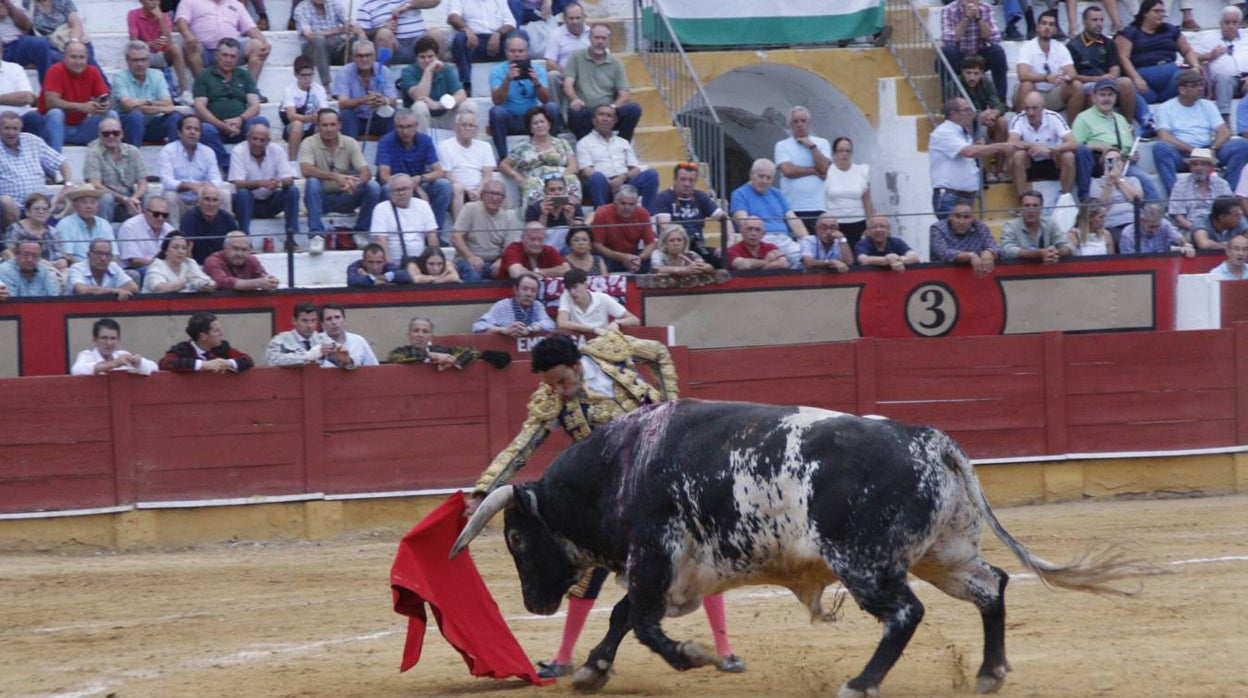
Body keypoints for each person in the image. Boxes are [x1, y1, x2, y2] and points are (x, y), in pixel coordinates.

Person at [464, 330, 745, 679]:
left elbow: (658, 353)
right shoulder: (550, 400)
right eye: (552, 385)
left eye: (563, 380)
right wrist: (483, 489)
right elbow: (522, 446)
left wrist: (673, 411)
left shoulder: (610, 352)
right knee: (588, 567)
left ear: (577, 365)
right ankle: (564, 656)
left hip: (662, 477)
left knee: (699, 555)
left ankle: (725, 649)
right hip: (607, 492)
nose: (560, 390)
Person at [1152, 70, 1248, 195]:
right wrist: (1192, 150)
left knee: (1242, 145)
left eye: (1201, 85)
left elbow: (1224, 132)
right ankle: (1175, 196)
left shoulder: (1207, 105)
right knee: (1160, 147)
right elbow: (1164, 136)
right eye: (1195, 86)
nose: (1200, 89)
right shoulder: (1165, 108)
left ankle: (1226, 196)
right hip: (1182, 154)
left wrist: (1212, 149)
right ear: (1182, 89)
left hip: (1209, 150)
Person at [1070, 78, 1161, 203]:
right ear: (1094, 97)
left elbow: (1128, 148)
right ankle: (1085, 199)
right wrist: (1096, 146)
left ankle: (1154, 215)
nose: (1107, 98)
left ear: (1116, 98)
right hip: (1098, 162)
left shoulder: (1121, 119)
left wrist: (1133, 155)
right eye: (1102, 95)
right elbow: (1076, 145)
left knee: (1145, 179)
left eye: (1110, 95)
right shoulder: (1083, 118)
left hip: (1122, 162)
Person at [929, 98, 1022, 218]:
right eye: (966, 110)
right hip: (950, 198)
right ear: (954, 114)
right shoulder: (944, 132)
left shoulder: (961, 133)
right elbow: (969, 152)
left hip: (963, 197)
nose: (970, 113)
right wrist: (1001, 146)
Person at [299, 108, 382, 239]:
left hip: (346, 195)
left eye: (332, 124)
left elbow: (365, 171)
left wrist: (357, 183)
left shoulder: (350, 142)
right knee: (312, 182)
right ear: (318, 126)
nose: (329, 129)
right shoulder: (309, 142)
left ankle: (361, 232)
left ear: (339, 125)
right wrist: (335, 177)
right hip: (320, 199)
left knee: (373, 187)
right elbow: (306, 169)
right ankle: (316, 234)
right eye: (324, 125)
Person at [193, 37, 268, 170]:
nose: (228, 60)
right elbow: (200, 108)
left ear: (237, 58)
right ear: (216, 56)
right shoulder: (204, 76)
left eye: (232, 56)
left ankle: (256, 163)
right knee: (204, 129)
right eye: (225, 55)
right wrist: (221, 125)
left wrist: (240, 119)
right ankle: (228, 166)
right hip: (216, 127)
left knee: (260, 122)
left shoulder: (244, 75)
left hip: (241, 127)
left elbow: (255, 105)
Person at [377, 108, 453, 234]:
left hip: (418, 183)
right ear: (395, 127)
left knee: (444, 186)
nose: (405, 131)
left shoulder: (425, 140)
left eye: (409, 126)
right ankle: (394, 232)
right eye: (401, 127)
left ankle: (434, 232)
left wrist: (419, 179)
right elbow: (384, 176)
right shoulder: (386, 141)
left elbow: (439, 172)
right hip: (398, 187)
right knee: (386, 189)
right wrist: (411, 186)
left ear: (417, 126)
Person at [36, 39, 116, 153]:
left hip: (81, 128)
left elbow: (105, 96)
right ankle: (56, 163)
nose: (78, 62)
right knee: (55, 113)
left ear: (87, 58)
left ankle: (113, 162)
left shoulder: (92, 71)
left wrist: (105, 104)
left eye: (81, 57)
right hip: (55, 129)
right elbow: (51, 102)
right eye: (73, 57)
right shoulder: (55, 70)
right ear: (64, 57)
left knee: (111, 115)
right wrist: (81, 106)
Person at [563, 23, 639, 142]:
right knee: (575, 113)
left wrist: (612, 108)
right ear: (589, 38)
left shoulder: (615, 62)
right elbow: (567, 85)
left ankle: (621, 145)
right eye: (596, 37)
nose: (600, 41)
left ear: (608, 40)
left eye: (604, 38)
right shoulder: (576, 56)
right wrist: (575, 99)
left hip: (609, 111)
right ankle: (587, 147)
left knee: (633, 109)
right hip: (586, 111)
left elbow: (625, 95)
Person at [487, 34, 559, 159]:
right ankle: (503, 157)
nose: (517, 54)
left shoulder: (537, 69)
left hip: (532, 119)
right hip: (510, 120)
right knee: (496, 112)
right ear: (506, 53)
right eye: (512, 51)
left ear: (527, 52)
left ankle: (552, 151)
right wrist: (507, 80)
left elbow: (546, 99)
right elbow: (497, 101)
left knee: (552, 107)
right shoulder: (497, 71)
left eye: (521, 51)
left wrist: (536, 83)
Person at [1115, 0, 1199, 106]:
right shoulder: (1131, 32)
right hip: (1143, 78)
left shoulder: (1169, 29)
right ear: (1145, 13)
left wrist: (1195, 66)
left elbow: (1187, 50)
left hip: (1171, 77)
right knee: (1130, 87)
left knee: (1189, 79)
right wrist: (1136, 78)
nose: (1161, 14)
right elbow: (1123, 57)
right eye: (1156, 11)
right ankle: (1146, 119)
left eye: (1162, 11)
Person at [576, 103, 657, 209]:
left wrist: (621, 179)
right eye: (601, 115)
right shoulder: (584, 142)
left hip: (624, 181)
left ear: (614, 121)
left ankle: (649, 218)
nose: (605, 119)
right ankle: (603, 219)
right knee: (596, 177)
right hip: (602, 184)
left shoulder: (623, 142)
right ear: (593, 120)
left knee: (651, 175)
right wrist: (610, 182)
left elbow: (635, 168)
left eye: (609, 116)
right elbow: (586, 171)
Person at [1066, 5, 1138, 123]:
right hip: (1086, 84)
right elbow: (1073, 76)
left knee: (1127, 83)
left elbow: (1115, 68)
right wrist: (1099, 79)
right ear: (1084, 22)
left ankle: (1126, 125)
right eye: (1094, 20)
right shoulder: (1073, 45)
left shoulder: (1109, 43)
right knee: (1094, 89)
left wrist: (1111, 76)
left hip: (1107, 81)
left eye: (1101, 20)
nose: (1099, 23)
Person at [729, 158, 806, 269]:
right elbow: (743, 223)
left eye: (768, 178)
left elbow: (793, 219)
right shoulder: (739, 194)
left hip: (784, 238)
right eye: (761, 176)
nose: (765, 181)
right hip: (760, 239)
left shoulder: (777, 194)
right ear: (751, 175)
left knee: (805, 257)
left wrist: (807, 242)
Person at [175, 0, 271, 88]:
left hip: (232, 51)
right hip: (205, 52)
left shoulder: (235, 4)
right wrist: (188, 35)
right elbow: (181, 20)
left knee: (258, 46)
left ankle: (251, 90)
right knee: (190, 46)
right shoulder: (190, 1)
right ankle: (203, 88)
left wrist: (264, 42)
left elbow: (250, 28)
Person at [229, 122, 300, 239]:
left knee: (292, 191)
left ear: (268, 141)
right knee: (243, 194)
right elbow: (239, 184)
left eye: (262, 140)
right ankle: (244, 239)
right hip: (247, 204)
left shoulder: (277, 150)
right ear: (247, 138)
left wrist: (277, 183)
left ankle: (291, 238)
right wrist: (262, 183)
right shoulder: (238, 151)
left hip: (271, 201)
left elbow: (289, 179)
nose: (258, 143)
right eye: (254, 139)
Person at [1008, 90, 1084, 199]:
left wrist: (1050, 149)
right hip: (1030, 163)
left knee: (1068, 156)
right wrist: (1033, 146)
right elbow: (1011, 142)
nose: (1030, 113)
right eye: (1027, 108)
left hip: (1053, 161)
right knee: (1018, 156)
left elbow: (1073, 143)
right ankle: (1022, 200)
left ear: (1043, 107)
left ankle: (1066, 199)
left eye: (1035, 108)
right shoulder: (1018, 119)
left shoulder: (1054, 117)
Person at [500, 105, 580, 209]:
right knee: (532, 184)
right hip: (536, 183)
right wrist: (516, 176)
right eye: (535, 123)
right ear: (531, 128)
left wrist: (559, 180)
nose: (539, 125)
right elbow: (503, 165)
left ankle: (569, 212)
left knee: (572, 179)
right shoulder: (522, 146)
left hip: (560, 181)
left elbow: (573, 166)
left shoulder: (562, 143)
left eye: (542, 122)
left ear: (549, 125)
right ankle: (538, 213)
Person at [651, 161, 728, 267]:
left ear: (695, 181)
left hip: (697, 247)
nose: (687, 183)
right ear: (674, 180)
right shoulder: (664, 197)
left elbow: (724, 218)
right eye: (683, 179)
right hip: (674, 248)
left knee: (724, 258)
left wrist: (728, 244)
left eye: (691, 180)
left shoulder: (700, 196)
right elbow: (666, 228)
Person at [1015, 10, 1084, 121]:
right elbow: (1022, 75)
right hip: (1033, 92)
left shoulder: (1060, 47)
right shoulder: (1027, 47)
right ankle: (1019, 129)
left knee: (1077, 85)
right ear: (1037, 27)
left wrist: (1063, 78)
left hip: (1053, 93)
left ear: (1055, 30)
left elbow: (1072, 73)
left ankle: (1073, 132)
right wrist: (1046, 78)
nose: (1047, 27)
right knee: (1026, 84)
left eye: (1051, 25)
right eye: (1044, 23)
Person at [113, 40, 183, 149]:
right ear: (127, 61)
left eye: (143, 59)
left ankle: (176, 157)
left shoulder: (157, 75)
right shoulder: (120, 77)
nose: (140, 64)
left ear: (148, 60)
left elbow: (168, 104)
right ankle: (132, 158)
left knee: (175, 117)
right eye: (135, 60)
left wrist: (142, 104)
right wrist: (152, 103)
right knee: (135, 116)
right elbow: (128, 106)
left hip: (151, 126)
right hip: (127, 128)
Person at [159, 115, 228, 222]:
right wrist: (190, 186)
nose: (192, 132)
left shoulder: (207, 152)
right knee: (170, 196)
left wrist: (205, 188)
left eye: (196, 129)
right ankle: (175, 236)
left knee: (224, 194)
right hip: (180, 200)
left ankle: (225, 236)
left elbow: (217, 180)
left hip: (202, 201)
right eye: (188, 128)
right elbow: (166, 181)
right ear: (179, 132)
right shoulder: (168, 151)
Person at [450, 177, 520, 281]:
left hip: (494, 261)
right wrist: (470, 257)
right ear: (483, 194)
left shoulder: (510, 217)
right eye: (491, 193)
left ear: (503, 198)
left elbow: (510, 247)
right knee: (474, 275)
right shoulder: (470, 208)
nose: (495, 198)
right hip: (467, 259)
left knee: (512, 273)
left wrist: (501, 260)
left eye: (499, 194)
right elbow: (455, 237)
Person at [399, 35, 474, 133]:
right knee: (420, 106)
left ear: (437, 57)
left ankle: (467, 145)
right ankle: (423, 146)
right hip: (420, 120)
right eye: (422, 57)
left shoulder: (446, 69)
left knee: (469, 105)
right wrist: (429, 70)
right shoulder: (408, 72)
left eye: (430, 56)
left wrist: (438, 105)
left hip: (445, 117)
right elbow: (420, 96)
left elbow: (461, 94)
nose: (427, 60)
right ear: (416, 58)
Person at [774, 106, 831, 233]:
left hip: (817, 206)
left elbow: (824, 168)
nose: (799, 124)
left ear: (809, 123)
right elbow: (788, 171)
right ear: (790, 125)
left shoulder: (822, 143)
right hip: (791, 207)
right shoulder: (782, 145)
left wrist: (812, 147)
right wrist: (814, 171)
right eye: (795, 121)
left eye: (803, 121)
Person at [941, 0, 1010, 104]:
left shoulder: (986, 8)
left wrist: (979, 18)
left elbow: (994, 38)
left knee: (997, 51)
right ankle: (950, 102)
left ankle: (1000, 101)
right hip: (958, 56)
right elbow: (949, 39)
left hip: (978, 55)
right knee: (949, 51)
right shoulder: (949, 10)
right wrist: (966, 18)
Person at [449, 0, 521, 95]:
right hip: (473, 42)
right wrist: (467, 30)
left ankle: (519, 78)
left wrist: (498, 34)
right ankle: (465, 85)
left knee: (520, 37)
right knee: (460, 39)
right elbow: (452, 17)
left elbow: (511, 23)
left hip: (497, 40)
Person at [956, 55, 1008, 184]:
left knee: (1002, 122)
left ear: (982, 74)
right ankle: (988, 172)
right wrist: (979, 117)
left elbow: (998, 104)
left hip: (984, 119)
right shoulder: (954, 84)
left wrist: (993, 114)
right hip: (966, 124)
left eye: (976, 73)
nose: (972, 77)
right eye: (968, 73)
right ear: (962, 72)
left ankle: (1000, 171)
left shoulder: (986, 82)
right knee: (972, 125)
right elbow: (954, 111)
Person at [84, 117, 148, 223]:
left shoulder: (133, 151)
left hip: (130, 198)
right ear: (100, 135)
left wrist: (134, 199)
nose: (111, 136)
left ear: (122, 134)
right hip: (108, 201)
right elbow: (95, 185)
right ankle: (103, 235)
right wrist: (124, 199)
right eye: (106, 133)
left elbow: (143, 183)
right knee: (106, 199)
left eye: (115, 133)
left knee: (149, 199)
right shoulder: (94, 153)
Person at [1191, 6, 1248, 125]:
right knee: (1223, 78)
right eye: (1227, 22)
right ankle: (1224, 122)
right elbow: (1189, 56)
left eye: (1234, 22)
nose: (1231, 26)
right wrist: (1210, 55)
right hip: (1227, 80)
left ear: (1240, 24)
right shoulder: (1209, 38)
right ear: (1220, 23)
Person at [333, 39, 399, 140]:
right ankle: (351, 152)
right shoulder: (344, 72)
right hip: (355, 119)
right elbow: (342, 103)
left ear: (374, 56)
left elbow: (393, 101)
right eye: (360, 56)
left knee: (393, 112)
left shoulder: (384, 71)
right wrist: (363, 99)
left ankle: (391, 152)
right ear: (353, 58)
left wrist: (383, 100)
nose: (364, 59)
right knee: (346, 114)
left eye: (368, 55)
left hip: (377, 118)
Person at [437, 109, 496, 221]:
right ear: (456, 127)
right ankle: (459, 232)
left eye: (471, 125)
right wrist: (468, 190)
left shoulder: (485, 146)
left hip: (480, 190)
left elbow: (488, 174)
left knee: (497, 188)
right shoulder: (445, 146)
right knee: (457, 188)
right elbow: (447, 174)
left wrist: (478, 190)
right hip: (457, 191)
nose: (468, 128)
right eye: (464, 125)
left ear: (476, 129)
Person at [369, 172, 439, 264]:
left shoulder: (423, 205)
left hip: (421, 263)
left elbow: (432, 236)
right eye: (397, 190)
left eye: (405, 189)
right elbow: (380, 240)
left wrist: (433, 262)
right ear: (390, 192)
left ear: (412, 189)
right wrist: (390, 266)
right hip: (394, 263)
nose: (401, 193)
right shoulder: (381, 208)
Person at [388, 316, 508, 369]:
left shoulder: (442, 350)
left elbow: (473, 351)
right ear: (409, 335)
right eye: (416, 331)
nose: (420, 335)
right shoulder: (400, 352)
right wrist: (431, 355)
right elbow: (395, 357)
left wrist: (454, 360)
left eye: (425, 331)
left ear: (430, 336)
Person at [294, 0, 364, 91]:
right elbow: (309, 35)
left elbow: (350, 23)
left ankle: (356, 83)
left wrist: (360, 33)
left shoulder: (334, 4)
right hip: (313, 50)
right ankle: (326, 85)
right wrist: (337, 31)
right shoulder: (301, 9)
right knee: (319, 40)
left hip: (335, 47)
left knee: (356, 41)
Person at [127, 0, 189, 99]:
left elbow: (168, 42)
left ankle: (184, 92)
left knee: (175, 48)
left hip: (161, 53)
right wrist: (151, 44)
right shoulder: (133, 14)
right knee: (135, 52)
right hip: (142, 54)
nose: (154, 2)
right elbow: (134, 42)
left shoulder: (164, 16)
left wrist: (160, 19)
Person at [158, 310, 255, 372]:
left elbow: (248, 360)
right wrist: (202, 365)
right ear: (203, 336)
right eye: (216, 331)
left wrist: (229, 363)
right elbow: (164, 363)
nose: (221, 334)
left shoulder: (222, 347)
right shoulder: (183, 349)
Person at [588, 184, 655, 272]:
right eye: (623, 203)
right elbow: (597, 245)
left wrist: (639, 258)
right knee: (599, 260)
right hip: (610, 257)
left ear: (636, 204)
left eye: (631, 204)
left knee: (651, 261)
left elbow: (650, 243)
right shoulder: (602, 213)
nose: (627, 207)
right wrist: (623, 257)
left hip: (633, 256)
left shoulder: (643, 213)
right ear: (615, 202)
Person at [822, 137, 873, 251]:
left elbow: (868, 202)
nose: (844, 154)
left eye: (848, 151)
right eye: (840, 151)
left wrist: (870, 225)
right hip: (835, 225)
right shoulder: (827, 172)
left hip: (858, 223)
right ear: (834, 154)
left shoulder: (862, 171)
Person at [929, 198, 1000, 277]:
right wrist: (970, 256)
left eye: (966, 217)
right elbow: (942, 253)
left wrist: (989, 252)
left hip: (976, 278)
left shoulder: (980, 227)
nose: (961, 221)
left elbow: (997, 249)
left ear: (972, 218)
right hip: (944, 276)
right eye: (957, 216)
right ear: (950, 216)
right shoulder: (938, 228)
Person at [1001, 189, 1075, 264]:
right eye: (1027, 206)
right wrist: (1039, 253)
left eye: (1035, 206)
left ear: (1042, 208)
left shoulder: (1050, 223)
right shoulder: (1010, 226)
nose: (1031, 210)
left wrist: (1054, 253)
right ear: (1020, 208)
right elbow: (1007, 251)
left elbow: (1069, 246)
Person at [556, 266, 636, 334]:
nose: (572, 292)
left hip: (602, 341)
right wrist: (593, 329)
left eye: (575, 287)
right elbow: (562, 323)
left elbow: (634, 320)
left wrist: (617, 323)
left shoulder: (602, 298)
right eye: (568, 288)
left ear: (585, 284)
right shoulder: (566, 296)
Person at [471, 272, 554, 335]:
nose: (529, 294)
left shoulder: (537, 306)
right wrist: (503, 330)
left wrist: (530, 329)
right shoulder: (502, 306)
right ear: (516, 290)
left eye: (533, 290)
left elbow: (550, 324)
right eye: (525, 289)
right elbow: (478, 326)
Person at [70, 317, 158, 375]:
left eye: (113, 338)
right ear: (95, 340)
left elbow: (154, 367)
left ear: (118, 340)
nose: (109, 343)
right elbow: (77, 370)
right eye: (104, 338)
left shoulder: (122, 354)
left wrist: (139, 363)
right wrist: (114, 364)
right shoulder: (87, 355)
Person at [53, 183, 114, 266]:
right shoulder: (65, 224)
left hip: (104, 268)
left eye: (93, 202)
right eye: (84, 202)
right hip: (78, 270)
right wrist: (93, 268)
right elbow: (68, 257)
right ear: (75, 205)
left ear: (98, 206)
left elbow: (115, 255)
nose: (89, 206)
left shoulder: (104, 224)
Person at [280, 57, 327, 163]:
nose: (307, 79)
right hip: (292, 129)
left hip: (312, 127)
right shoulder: (289, 90)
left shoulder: (319, 89)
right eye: (303, 75)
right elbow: (291, 116)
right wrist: (309, 118)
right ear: (296, 75)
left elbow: (325, 111)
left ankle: (323, 163)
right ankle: (292, 163)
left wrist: (317, 118)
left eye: (310, 75)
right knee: (297, 124)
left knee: (326, 125)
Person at [1086, 148, 1144, 234]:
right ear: (1104, 165)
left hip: (1133, 221)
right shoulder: (1096, 182)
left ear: (1122, 163)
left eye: (1117, 160)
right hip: (1112, 224)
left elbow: (1138, 200)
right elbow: (1101, 206)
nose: (1113, 164)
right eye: (1109, 161)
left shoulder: (1133, 180)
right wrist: (1109, 182)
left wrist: (1119, 180)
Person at [117, 194, 174, 279]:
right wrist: (160, 265)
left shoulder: (169, 229)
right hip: (136, 270)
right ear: (145, 212)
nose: (160, 218)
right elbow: (134, 261)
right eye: (156, 214)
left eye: (165, 215)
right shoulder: (130, 227)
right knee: (153, 273)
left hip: (162, 267)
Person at [180, 182, 238, 264]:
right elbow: (187, 252)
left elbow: (238, 243)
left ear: (219, 203)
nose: (211, 204)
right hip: (198, 266)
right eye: (207, 199)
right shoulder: (189, 218)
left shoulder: (227, 218)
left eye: (215, 200)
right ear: (199, 201)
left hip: (222, 265)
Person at [203, 230, 280, 291]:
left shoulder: (251, 259)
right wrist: (258, 283)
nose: (240, 253)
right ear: (225, 248)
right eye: (235, 249)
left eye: (244, 249)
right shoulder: (212, 261)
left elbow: (262, 275)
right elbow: (223, 283)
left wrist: (271, 281)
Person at [141, 232, 217, 292]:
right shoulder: (156, 265)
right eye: (175, 247)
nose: (180, 251)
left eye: (184, 248)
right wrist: (186, 280)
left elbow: (210, 282)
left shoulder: (190, 262)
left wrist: (208, 286)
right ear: (166, 250)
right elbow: (161, 288)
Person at [0, 40, 46, 138]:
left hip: (20, 118)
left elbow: (27, 98)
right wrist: (13, 98)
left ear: (1, 52)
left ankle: (35, 153)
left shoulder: (15, 69)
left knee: (34, 118)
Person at [542, 1, 587, 100]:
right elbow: (549, 63)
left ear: (584, 17)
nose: (575, 21)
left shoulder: (592, 34)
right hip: (564, 74)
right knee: (552, 75)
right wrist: (569, 74)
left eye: (578, 18)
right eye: (571, 18)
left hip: (589, 75)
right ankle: (557, 112)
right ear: (564, 19)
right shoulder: (556, 34)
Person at [67, 239, 140, 298]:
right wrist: (114, 291)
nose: (103, 258)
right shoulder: (77, 268)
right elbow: (82, 290)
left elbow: (133, 288)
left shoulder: (113, 266)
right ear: (89, 255)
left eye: (107, 254)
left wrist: (99, 292)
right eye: (99, 253)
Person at [524, 174, 580, 251]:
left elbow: (580, 237)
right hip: (542, 250)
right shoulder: (533, 209)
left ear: (566, 190)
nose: (557, 193)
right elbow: (533, 238)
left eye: (560, 189)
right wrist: (544, 215)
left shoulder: (573, 206)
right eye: (552, 190)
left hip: (568, 251)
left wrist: (570, 219)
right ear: (545, 191)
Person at [0, 0, 51, 84]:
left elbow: (27, 26)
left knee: (40, 44)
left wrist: (10, 7)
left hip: (15, 44)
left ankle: (47, 91)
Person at [1117, 201, 1194, 254]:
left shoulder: (1164, 224)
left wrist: (1186, 245)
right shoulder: (1128, 235)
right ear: (1142, 221)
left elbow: (1180, 239)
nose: (1155, 230)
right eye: (1151, 226)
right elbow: (1129, 262)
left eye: (1157, 226)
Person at [499, 220, 568, 279]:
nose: (536, 244)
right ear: (523, 238)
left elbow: (567, 270)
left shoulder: (548, 250)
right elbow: (516, 272)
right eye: (532, 239)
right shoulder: (513, 249)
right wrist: (540, 275)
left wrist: (539, 271)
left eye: (540, 239)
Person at [318, 303, 379, 369]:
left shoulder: (359, 341)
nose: (334, 322)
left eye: (337, 317)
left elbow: (375, 369)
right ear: (322, 324)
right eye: (329, 319)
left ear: (344, 320)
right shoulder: (316, 342)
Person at [265, 300, 325, 366]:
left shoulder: (323, 339)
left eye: (313, 320)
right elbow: (270, 360)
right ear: (294, 320)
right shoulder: (281, 339)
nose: (309, 325)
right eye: (304, 321)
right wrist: (307, 357)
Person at [651, 222, 716, 275]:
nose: (676, 243)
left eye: (679, 240)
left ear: (685, 242)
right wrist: (685, 270)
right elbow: (656, 269)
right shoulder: (658, 254)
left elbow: (706, 267)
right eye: (671, 240)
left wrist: (706, 268)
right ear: (665, 244)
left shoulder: (691, 254)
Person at [347, 242, 413, 286]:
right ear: (363, 262)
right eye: (370, 262)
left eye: (379, 262)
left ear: (384, 261)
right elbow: (353, 281)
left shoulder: (388, 266)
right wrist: (385, 280)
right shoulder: (354, 266)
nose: (374, 267)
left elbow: (406, 277)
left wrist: (373, 278)